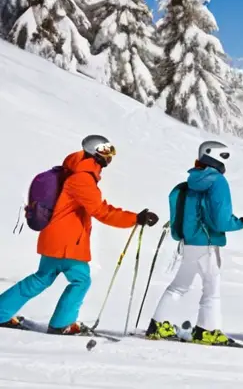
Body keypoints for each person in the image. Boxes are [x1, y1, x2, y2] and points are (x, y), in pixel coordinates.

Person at [0, 135, 159, 334]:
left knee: (41, 278)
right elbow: (102, 211)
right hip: (67, 243)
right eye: (106, 152)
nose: (110, 157)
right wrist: (135, 218)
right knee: (81, 280)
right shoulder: (82, 178)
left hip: (55, 238)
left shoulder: (76, 171)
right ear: (95, 152)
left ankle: (2, 312)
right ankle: (62, 324)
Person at [145, 140, 243, 345]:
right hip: (206, 243)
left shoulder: (192, 181)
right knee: (211, 288)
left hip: (189, 242)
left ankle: (158, 325)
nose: (226, 161)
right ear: (213, 155)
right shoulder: (217, 181)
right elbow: (221, 219)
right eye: (224, 156)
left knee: (179, 286)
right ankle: (207, 330)